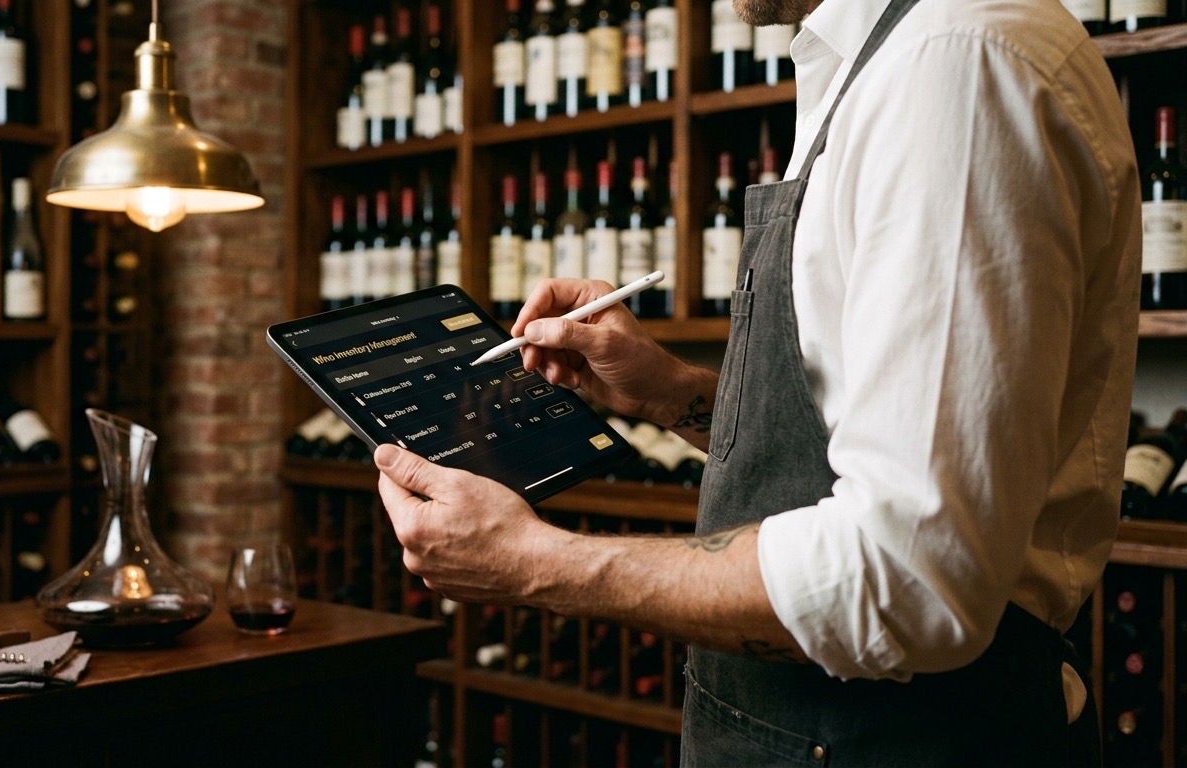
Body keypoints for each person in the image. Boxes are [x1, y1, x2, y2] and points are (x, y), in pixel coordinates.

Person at [373, 0, 1141, 763]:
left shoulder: (953, 64)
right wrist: (675, 397)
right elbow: (850, 436)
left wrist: (535, 561)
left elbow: (905, 575)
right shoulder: (866, 63)